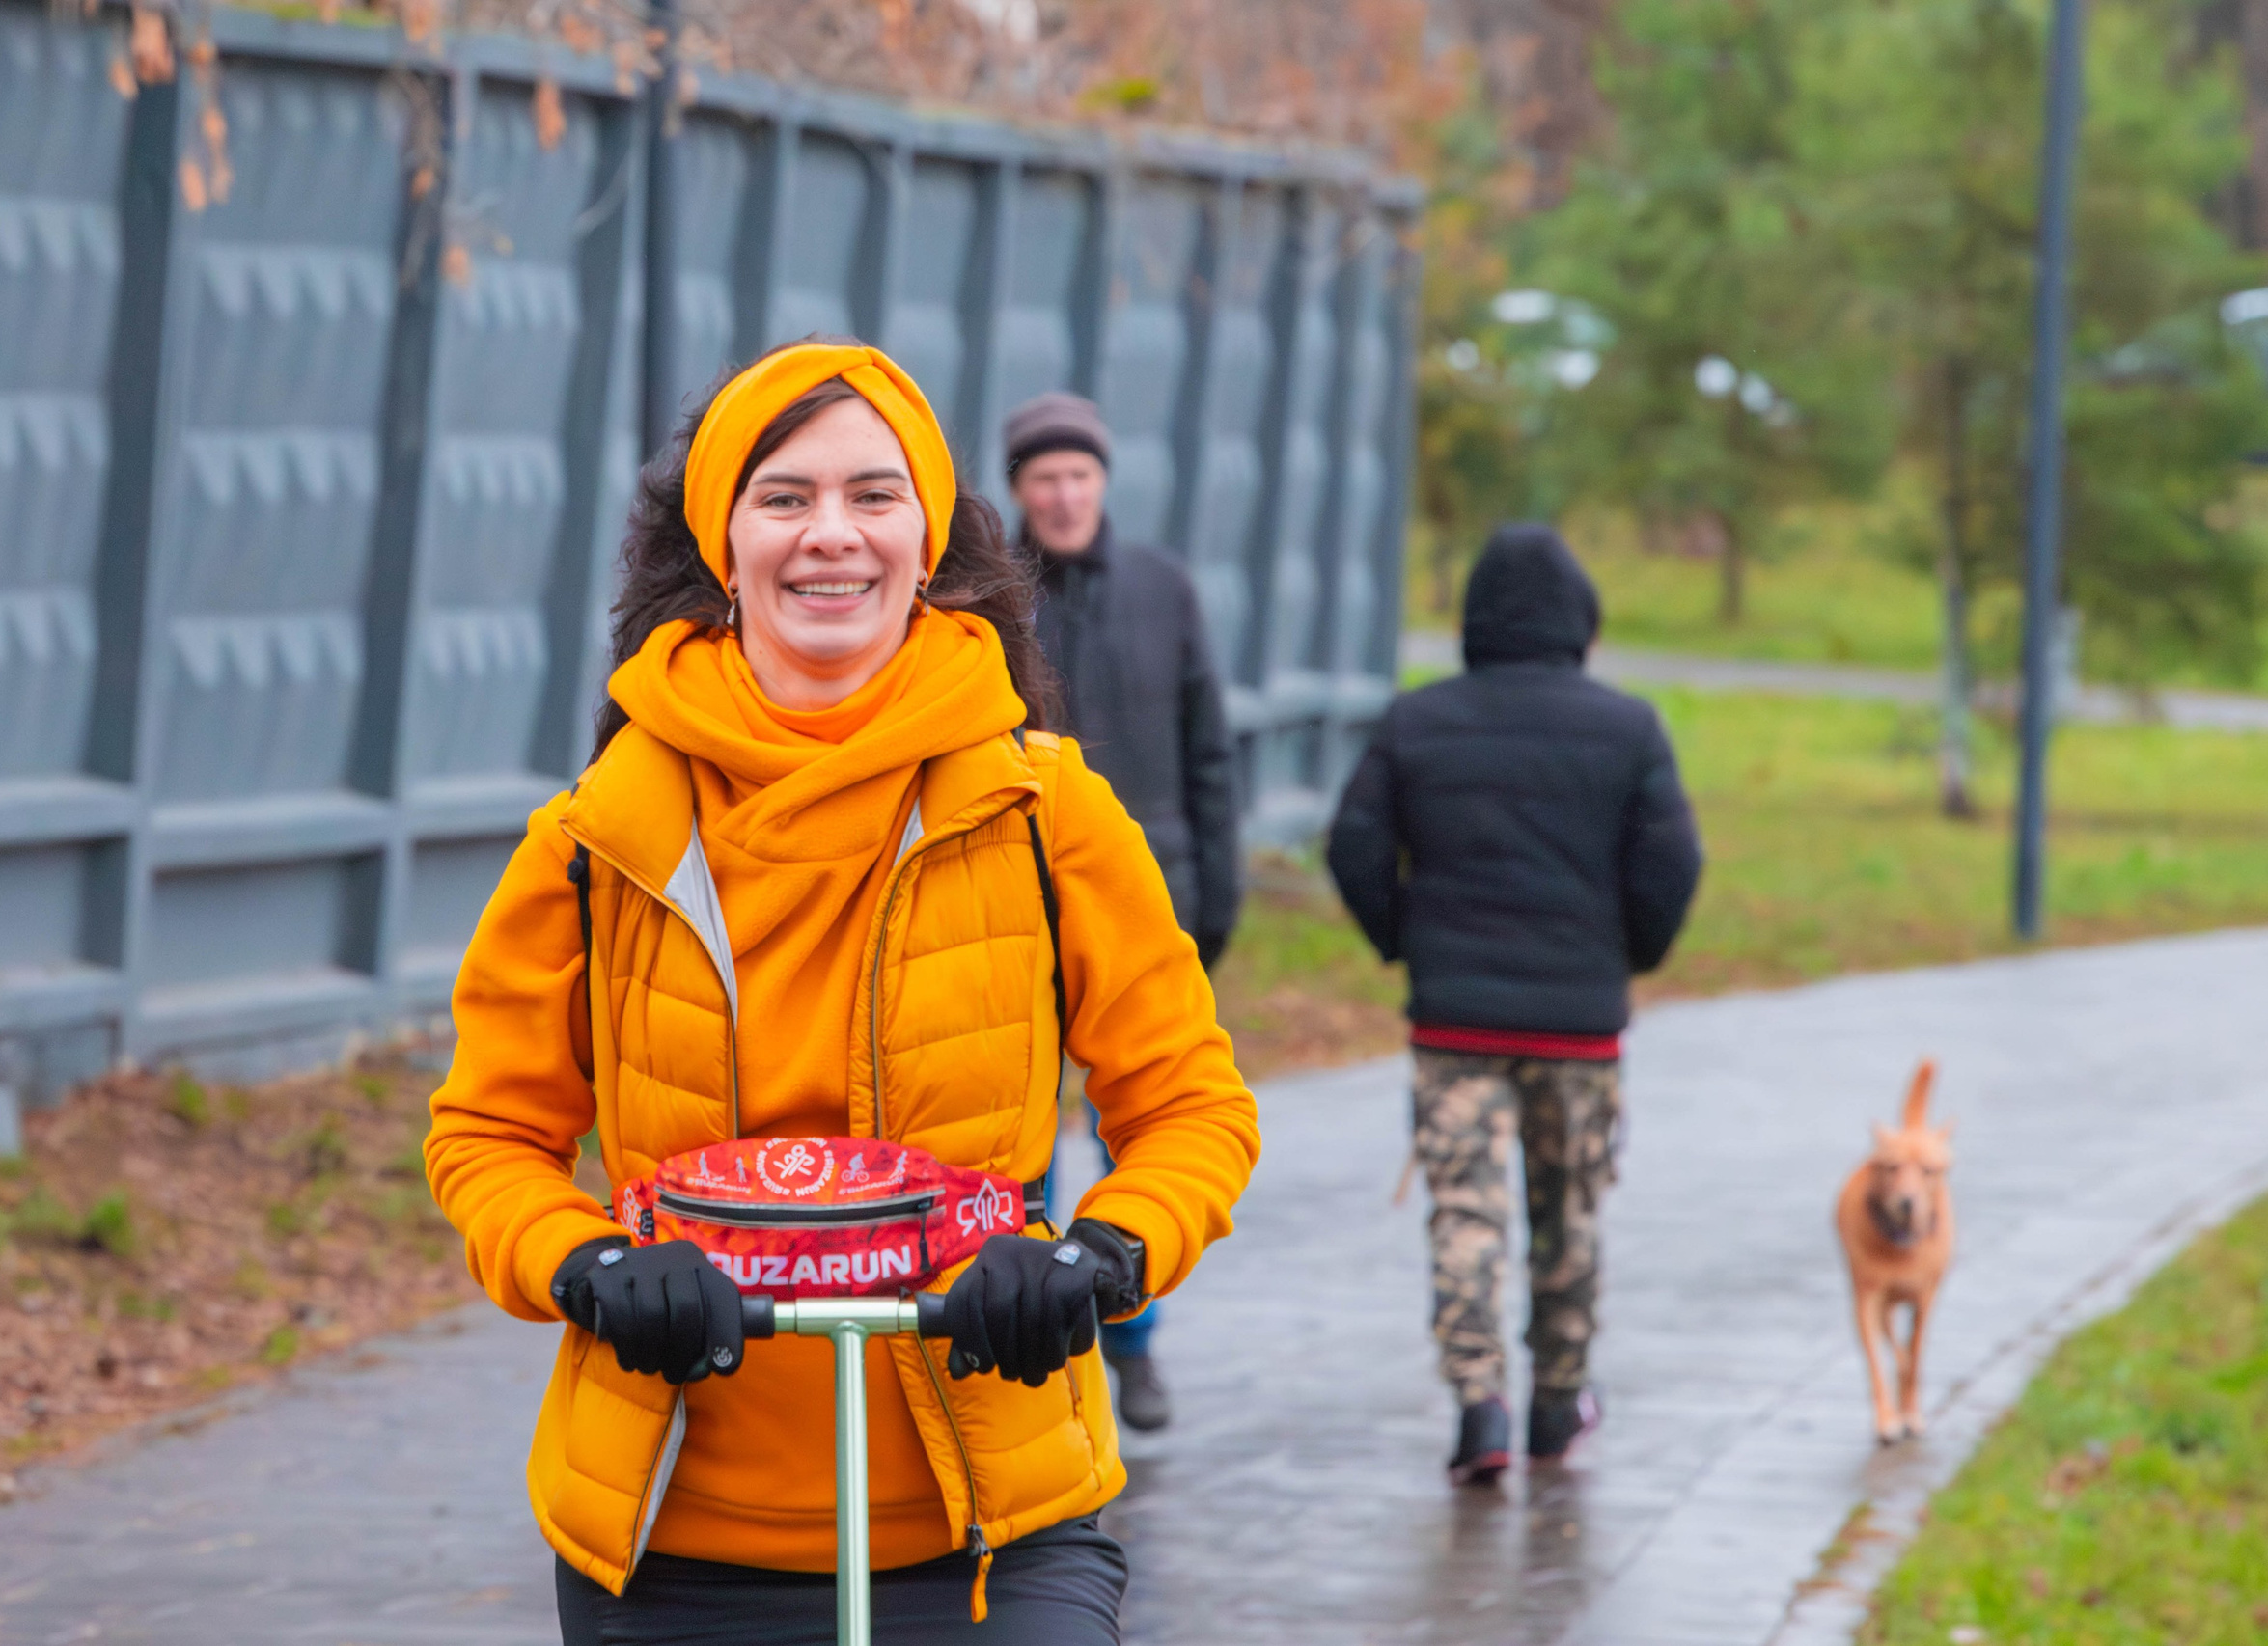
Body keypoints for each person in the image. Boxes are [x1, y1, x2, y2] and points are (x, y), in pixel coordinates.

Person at [425, 339, 1258, 1644]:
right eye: (784, 496)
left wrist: (1100, 1254)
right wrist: (584, 1262)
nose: (832, 533)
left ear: (928, 542)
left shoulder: (1047, 810)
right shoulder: (596, 836)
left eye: (875, 494)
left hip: (991, 1535)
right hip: (672, 1544)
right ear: (723, 542)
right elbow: (487, 1135)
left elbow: (1193, 1107)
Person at [1325, 523, 1701, 1487]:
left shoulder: (1417, 721)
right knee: (1569, 1216)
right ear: (1580, 619)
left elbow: (1352, 846)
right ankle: (1557, 1400)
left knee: (1466, 1214)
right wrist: (1626, 958)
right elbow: (1672, 863)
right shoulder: (1628, 728)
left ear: (1474, 618)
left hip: (1455, 1022)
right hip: (1579, 1028)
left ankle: (1479, 1403)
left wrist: (1407, 937)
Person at [1004, 390, 1242, 1435]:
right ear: (1019, 490)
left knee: (1134, 1134)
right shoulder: (991, 598)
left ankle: (1132, 1340)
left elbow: (1208, 747)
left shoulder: (1163, 589)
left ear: (1103, 481)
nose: (1063, 496)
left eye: (1079, 476)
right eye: (1044, 479)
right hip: (1018, 908)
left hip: (1152, 897)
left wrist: (1219, 889)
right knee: (1027, 1137)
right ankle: (1030, 1333)